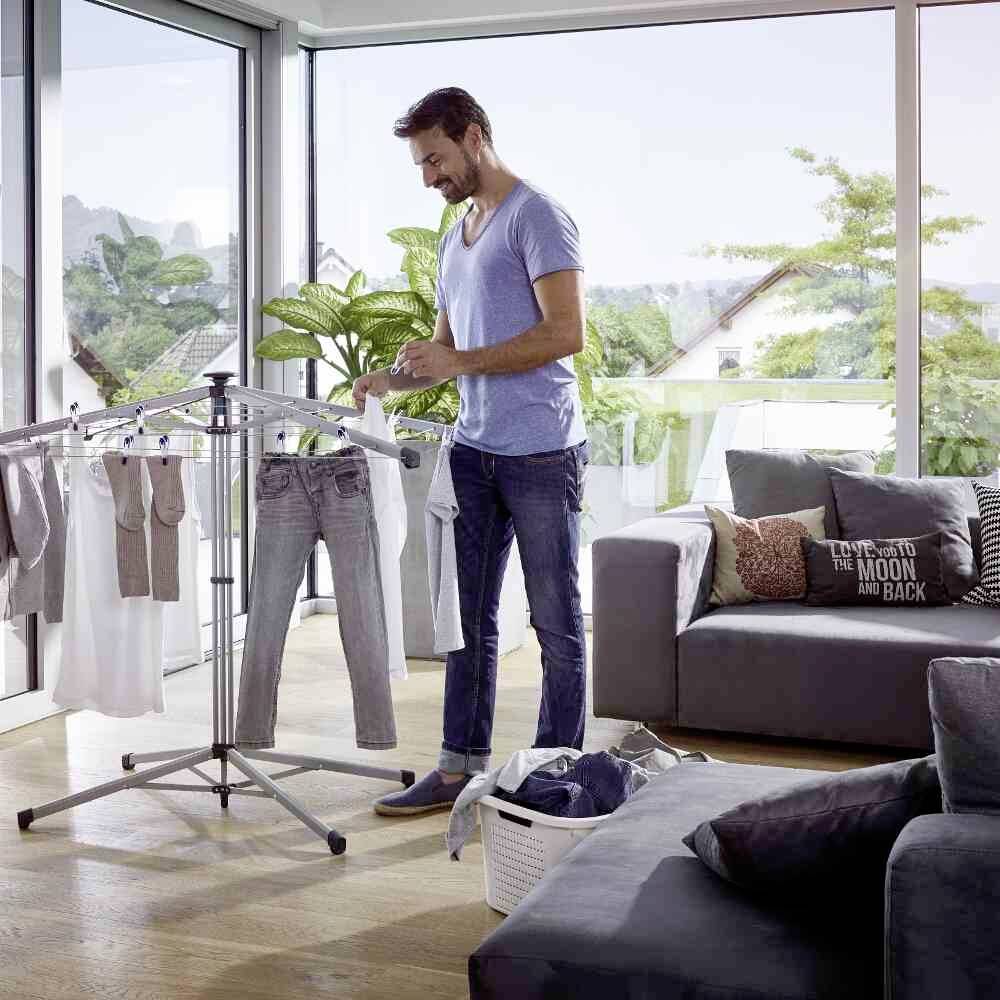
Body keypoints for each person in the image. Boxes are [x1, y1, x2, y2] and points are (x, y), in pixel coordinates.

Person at [353, 87, 589, 815]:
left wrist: (458, 364)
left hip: (543, 452)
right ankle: (458, 767)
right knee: (469, 622)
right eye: (421, 164)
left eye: (435, 159)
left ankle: (556, 775)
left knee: (554, 622)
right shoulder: (459, 233)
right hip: (474, 451)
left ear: (475, 137)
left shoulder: (538, 217)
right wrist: (394, 379)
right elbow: (450, 346)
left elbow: (564, 334)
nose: (429, 176)